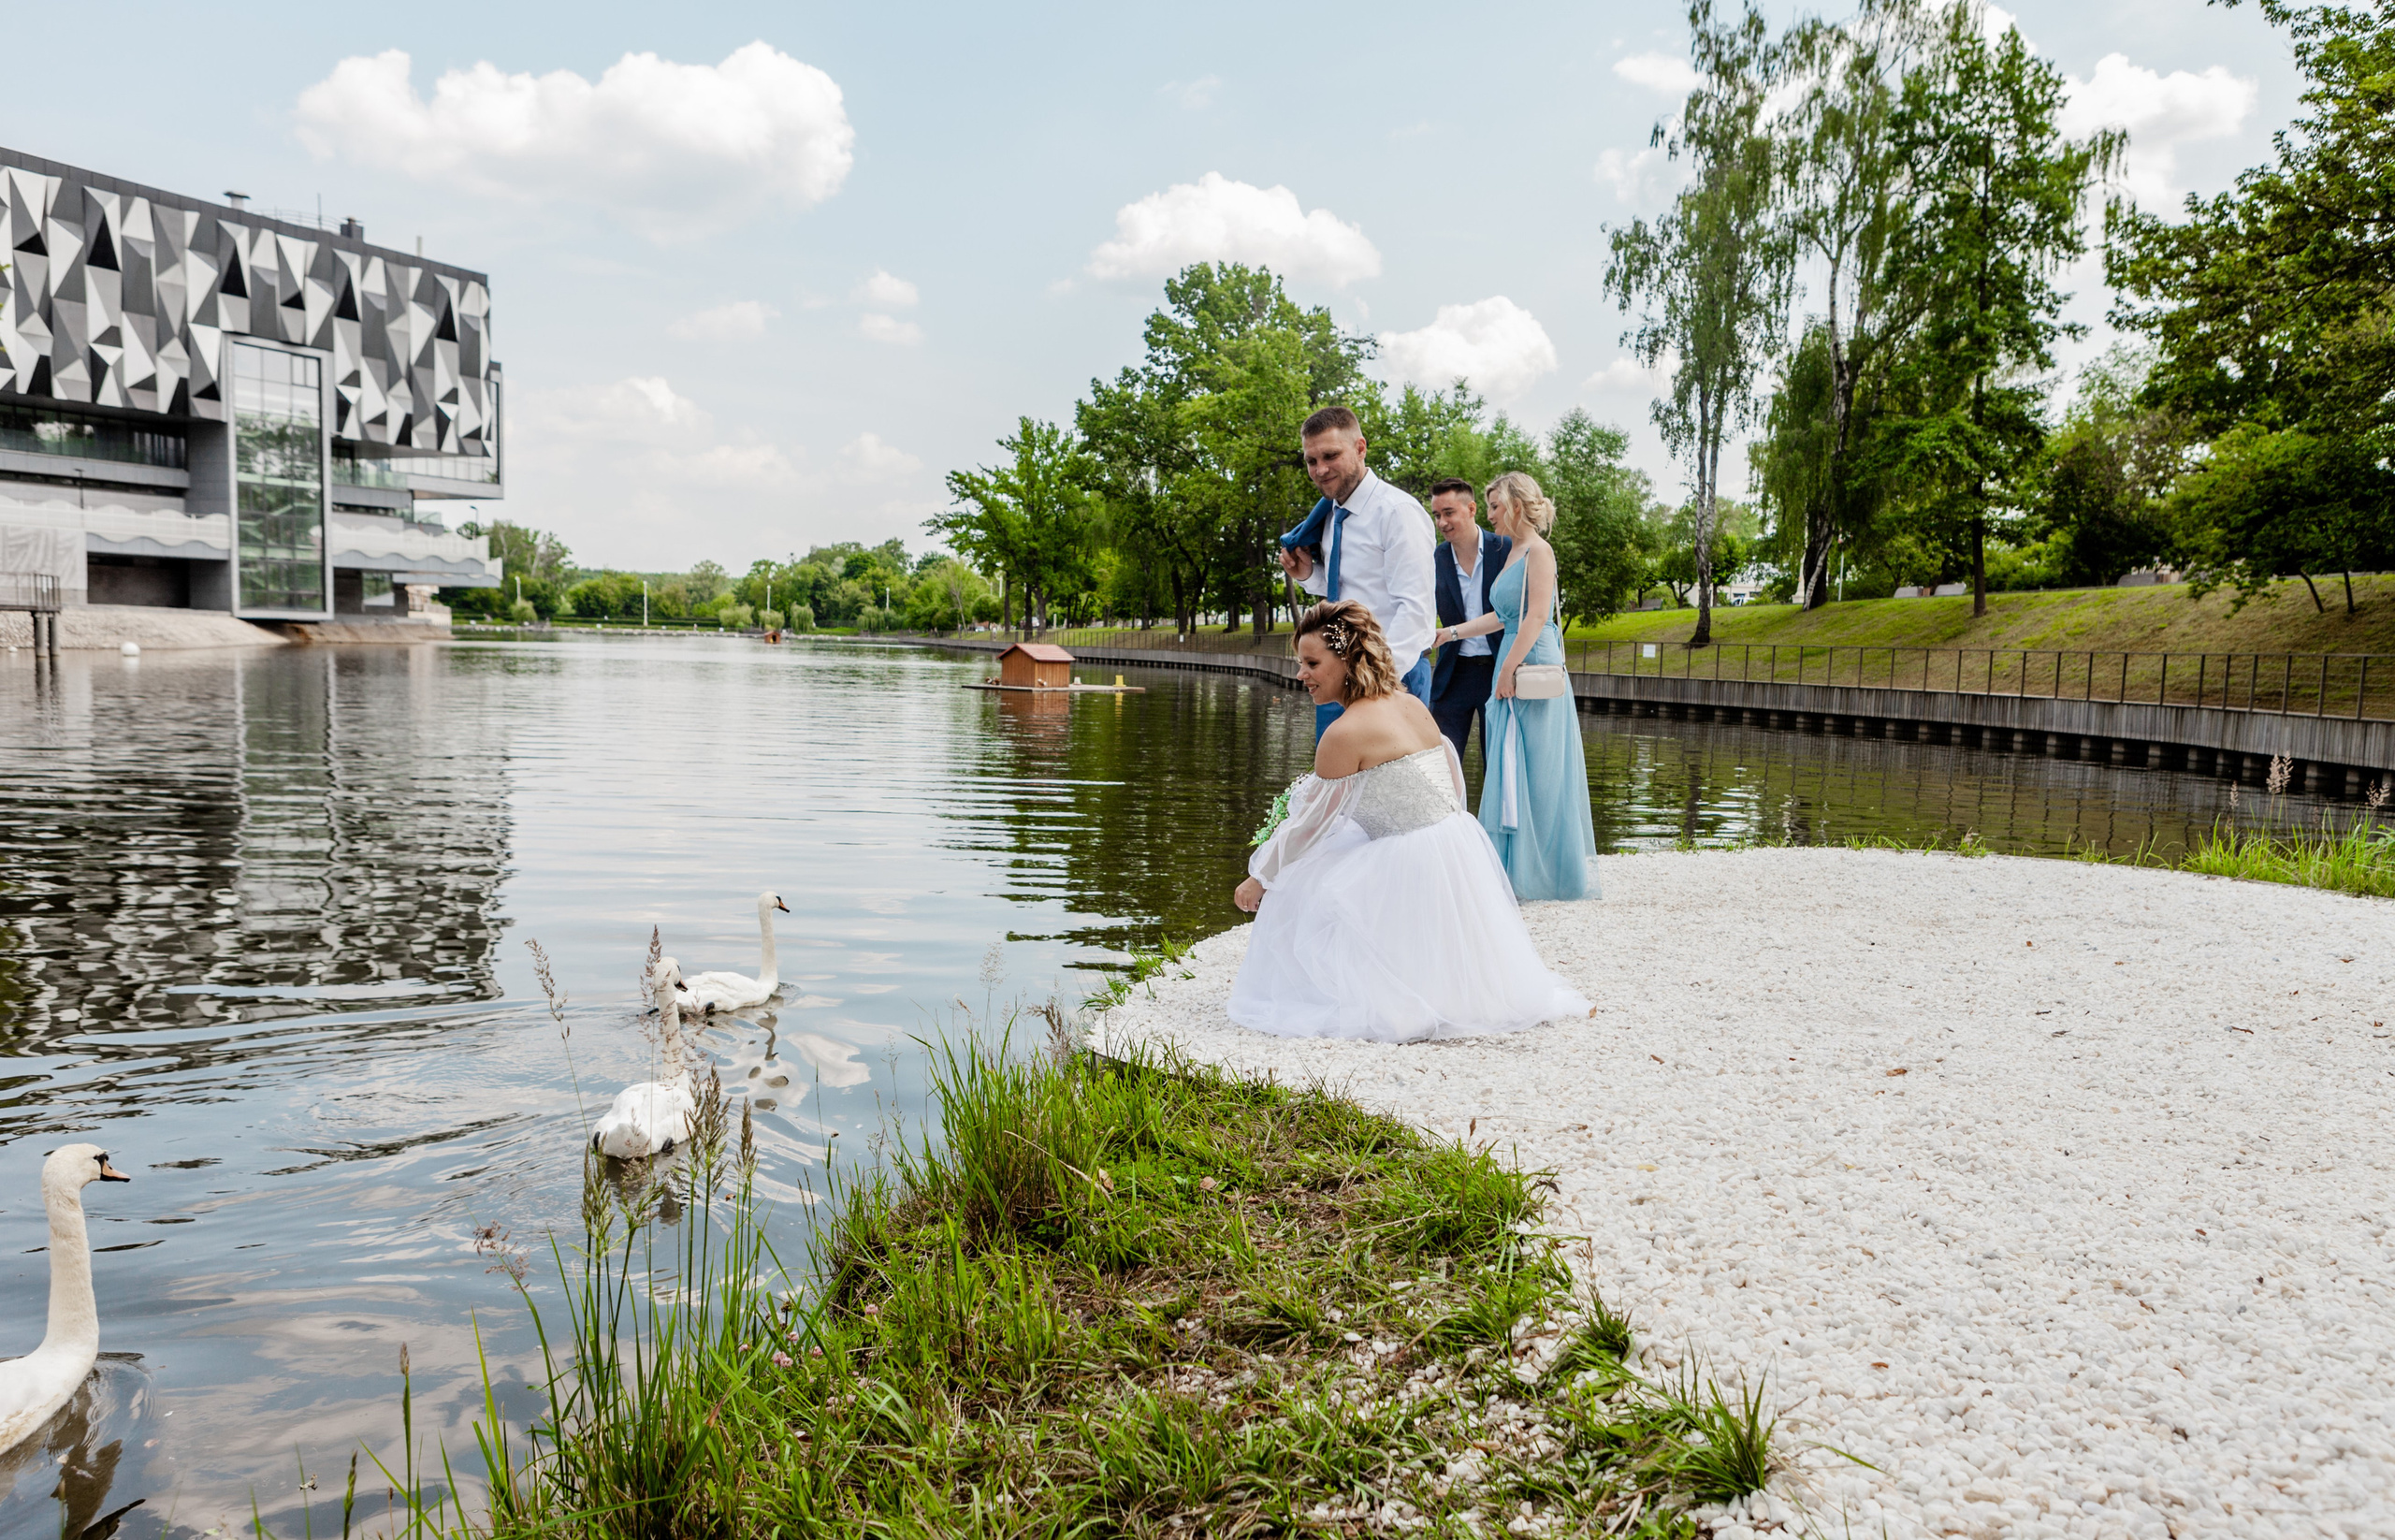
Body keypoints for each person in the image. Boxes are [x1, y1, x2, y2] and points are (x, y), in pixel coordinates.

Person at [1227, 600, 1592, 1042]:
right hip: (1456, 844)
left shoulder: (1341, 734)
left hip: (1412, 860)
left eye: (1311, 663)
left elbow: (1309, 826)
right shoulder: (1410, 703)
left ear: (1346, 660)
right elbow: (1451, 773)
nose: (1301, 675)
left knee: (1306, 887)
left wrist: (1260, 877)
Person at [1440, 472, 1599, 902]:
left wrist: (1507, 668)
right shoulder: (1513, 552)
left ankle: (1548, 876)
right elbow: (1504, 615)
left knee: (1540, 768)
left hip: (1529, 661)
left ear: (1513, 504)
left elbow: (1535, 617)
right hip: (1512, 658)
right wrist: (1449, 633)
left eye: (1494, 506)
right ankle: (1514, 869)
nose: (1489, 515)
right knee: (1511, 761)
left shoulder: (1539, 552)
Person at [1277, 406, 1437, 740]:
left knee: (1389, 789)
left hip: (1390, 678)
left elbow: (1416, 611)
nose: (1320, 470)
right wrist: (1309, 576)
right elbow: (1350, 588)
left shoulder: (1398, 513)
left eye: (1330, 456)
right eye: (1311, 461)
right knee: (1339, 786)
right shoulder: (1333, 515)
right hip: (1339, 677)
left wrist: (1375, 683)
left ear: (1360, 448)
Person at [1426, 477, 1510, 758]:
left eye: (1448, 513)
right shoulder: (1433, 558)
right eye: (1437, 515)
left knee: (1497, 763)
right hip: (1452, 674)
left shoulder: (1506, 549)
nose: (1442, 522)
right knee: (1442, 763)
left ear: (1471, 508)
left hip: (1497, 672)